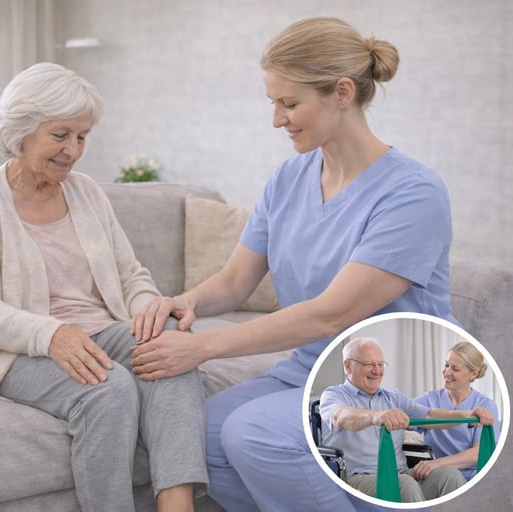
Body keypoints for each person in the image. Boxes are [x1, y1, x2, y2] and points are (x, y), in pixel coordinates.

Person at [130, 17, 458, 511]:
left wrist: (200, 349)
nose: (277, 120)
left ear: (342, 92)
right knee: (196, 436)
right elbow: (238, 280)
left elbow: (331, 314)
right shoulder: (288, 178)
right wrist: (186, 301)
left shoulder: (412, 194)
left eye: (289, 103)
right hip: (307, 369)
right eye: (273, 104)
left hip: (389, 381)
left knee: (254, 433)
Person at [0, 62, 208, 512]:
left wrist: (151, 309)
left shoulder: (86, 192)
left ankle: (176, 507)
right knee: (109, 387)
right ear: (22, 129)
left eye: (82, 137)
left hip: (101, 330)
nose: (74, 151)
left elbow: (130, 276)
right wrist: (51, 334)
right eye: (60, 135)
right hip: (16, 350)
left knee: (172, 351)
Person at [320, 337, 494, 502]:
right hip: (359, 477)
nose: (377, 370)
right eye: (369, 364)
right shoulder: (333, 395)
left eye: (380, 364)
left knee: (450, 475)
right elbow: (340, 417)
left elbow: (429, 415)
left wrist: (468, 414)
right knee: (404, 484)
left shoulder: (394, 397)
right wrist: (376, 416)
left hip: (401, 473)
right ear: (348, 366)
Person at [413, 341, 500, 481]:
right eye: (446, 365)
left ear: (473, 374)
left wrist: (436, 464)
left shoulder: (486, 406)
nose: (447, 372)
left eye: (455, 368)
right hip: (437, 476)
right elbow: (400, 415)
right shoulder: (428, 400)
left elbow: (479, 452)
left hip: (471, 476)